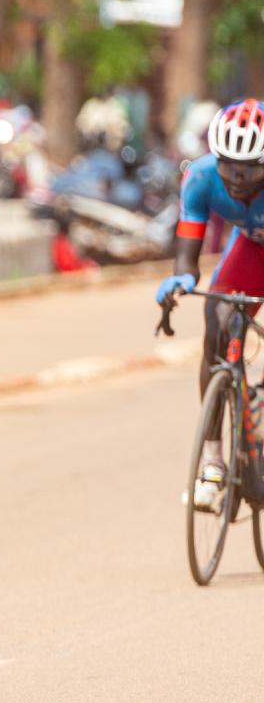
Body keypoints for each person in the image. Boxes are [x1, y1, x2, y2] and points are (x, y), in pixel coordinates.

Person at [157, 98, 264, 511]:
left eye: (251, 168)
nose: (238, 177)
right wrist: (181, 279)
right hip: (250, 252)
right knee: (216, 326)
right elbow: (188, 250)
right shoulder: (200, 177)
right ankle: (214, 465)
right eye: (229, 166)